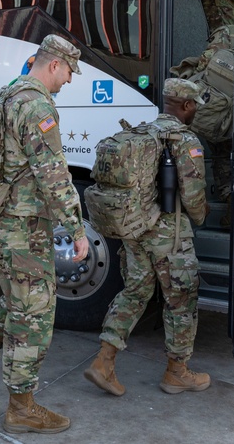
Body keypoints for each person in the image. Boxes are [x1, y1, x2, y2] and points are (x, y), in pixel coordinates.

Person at [0, 34, 89, 435]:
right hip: (23, 227)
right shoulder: (36, 103)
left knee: (15, 300)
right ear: (54, 64)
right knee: (35, 312)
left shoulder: (8, 95)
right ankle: (21, 405)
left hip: (1, 220)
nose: (69, 81)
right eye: (69, 72)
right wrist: (76, 229)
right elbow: (54, 174)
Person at [83, 77, 211, 396]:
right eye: (194, 106)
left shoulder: (144, 133)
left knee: (135, 292)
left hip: (134, 227)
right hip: (170, 236)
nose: (195, 111)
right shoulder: (186, 140)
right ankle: (177, 372)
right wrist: (203, 217)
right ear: (186, 106)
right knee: (181, 299)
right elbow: (193, 198)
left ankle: (104, 361)